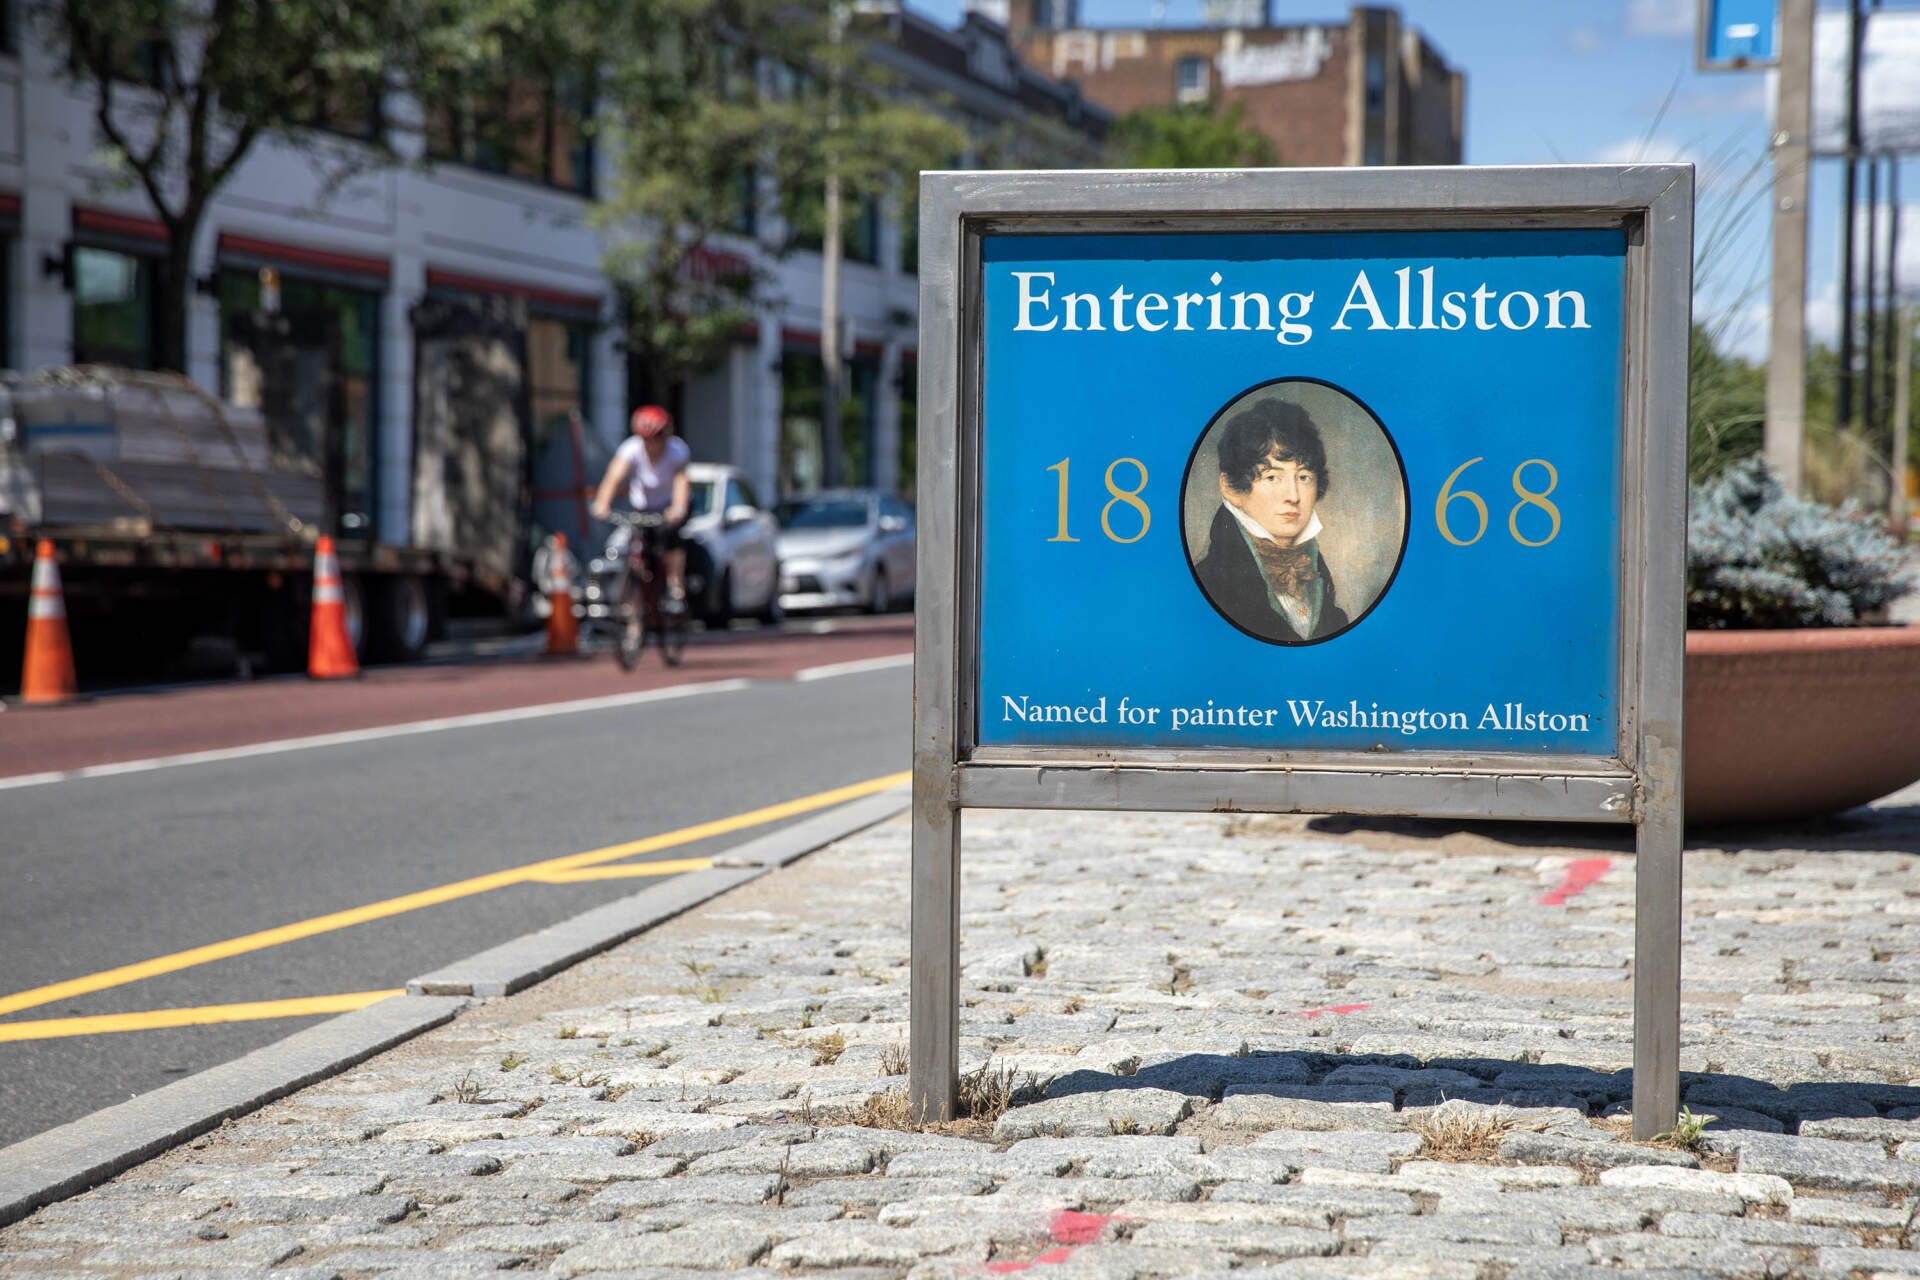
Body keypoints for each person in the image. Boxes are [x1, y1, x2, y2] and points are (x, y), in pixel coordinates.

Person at [1193, 399, 1351, 645]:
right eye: (1272, 477)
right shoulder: (1209, 583)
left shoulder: (1317, 577)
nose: (1293, 495)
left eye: (1304, 476)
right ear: (1231, 488)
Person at [591, 405, 691, 611]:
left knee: (671, 540)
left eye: (657, 439)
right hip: (642, 507)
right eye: (647, 440)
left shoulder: (676, 450)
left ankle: (675, 588)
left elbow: (681, 482)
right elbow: (613, 478)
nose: (652, 445)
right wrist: (602, 503)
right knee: (633, 548)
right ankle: (634, 615)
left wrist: (679, 508)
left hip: (668, 507)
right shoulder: (631, 449)